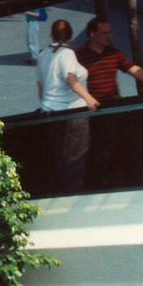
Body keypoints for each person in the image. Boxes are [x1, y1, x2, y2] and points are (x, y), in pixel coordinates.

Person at [76, 18, 143, 189]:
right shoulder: (78, 55)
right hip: (85, 113)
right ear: (92, 34)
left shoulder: (113, 54)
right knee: (86, 153)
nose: (109, 36)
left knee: (107, 150)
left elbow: (134, 70)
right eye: (105, 33)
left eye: (110, 32)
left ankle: (103, 184)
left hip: (107, 112)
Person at [36, 19, 98, 193]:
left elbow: (41, 88)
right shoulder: (67, 54)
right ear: (70, 35)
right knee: (74, 162)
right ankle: (72, 197)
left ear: (52, 34)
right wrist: (89, 98)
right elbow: (70, 78)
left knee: (57, 161)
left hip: (49, 114)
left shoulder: (43, 55)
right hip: (72, 115)